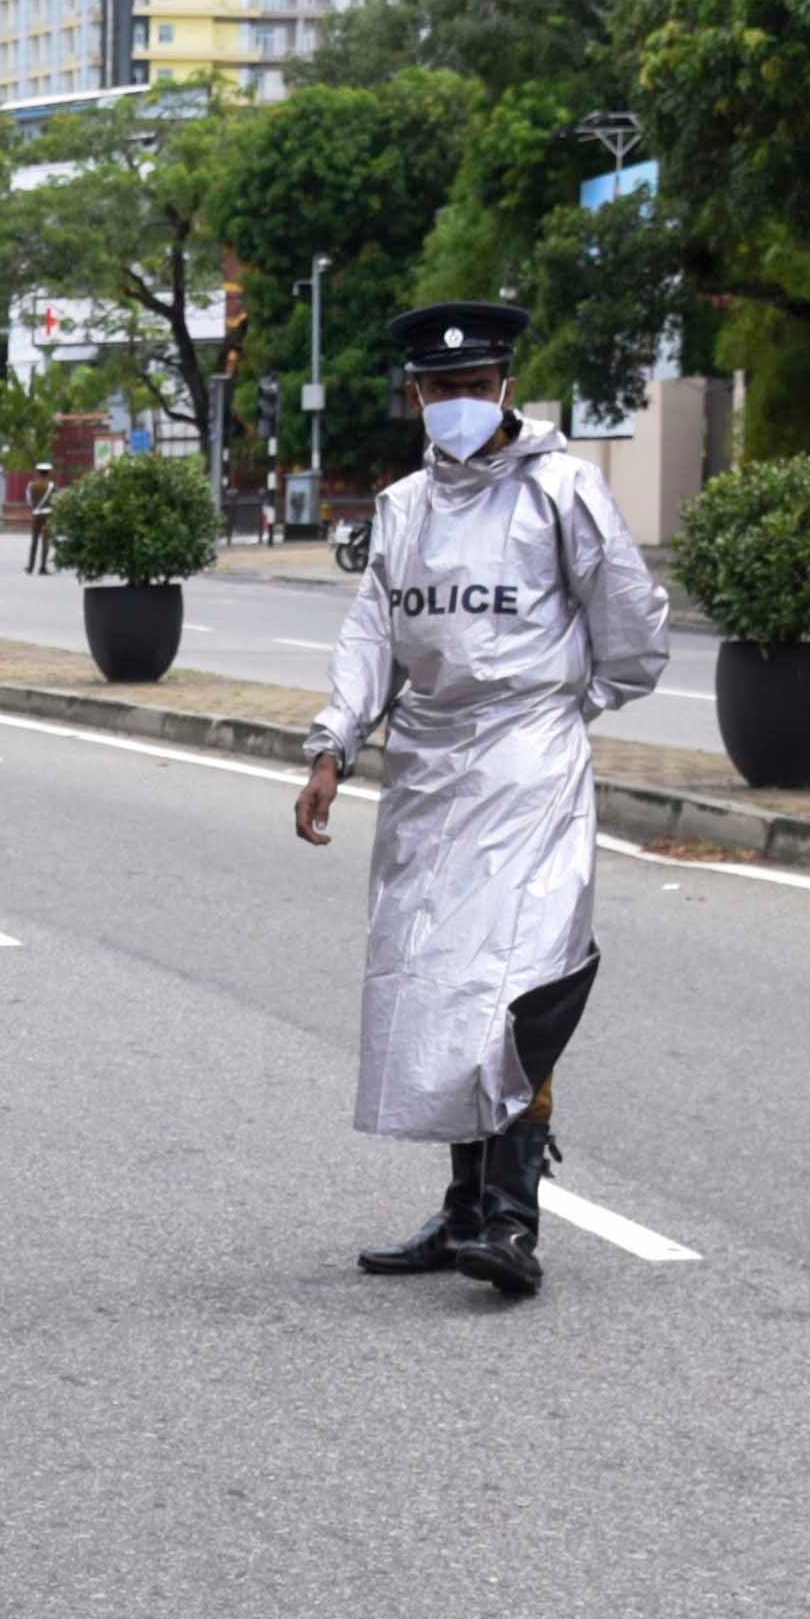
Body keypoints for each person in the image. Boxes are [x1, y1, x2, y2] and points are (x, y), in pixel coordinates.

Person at [289, 300, 670, 1299]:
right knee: (435, 986)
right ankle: (460, 1209)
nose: (453, 402)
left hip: (526, 766)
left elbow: (630, 626)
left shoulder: (561, 491)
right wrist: (334, 743)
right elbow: (373, 632)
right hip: (426, 770)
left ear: (504, 384)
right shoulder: (404, 505)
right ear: (413, 394)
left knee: (518, 984)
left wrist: (568, 704)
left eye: (470, 384)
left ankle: (511, 1217)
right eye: (436, 388)